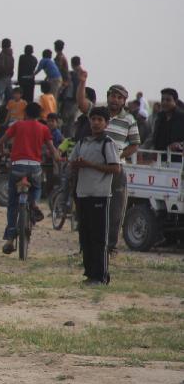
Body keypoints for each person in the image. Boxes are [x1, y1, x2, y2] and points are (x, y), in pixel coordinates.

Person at [75, 68, 140, 252]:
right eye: (113, 96)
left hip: (116, 170)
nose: (115, 100)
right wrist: (82, 82)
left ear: (124, 101)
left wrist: (116, 156)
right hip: (92, 170)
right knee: (89, 207)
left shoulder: (129, 119)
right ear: (108, 96)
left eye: (120, 97)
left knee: (115, 210)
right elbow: (81, 102)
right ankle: (87, 247)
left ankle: (109, 247)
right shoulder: (98, 113)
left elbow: (135, 144)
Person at [0, 102, 61, 254]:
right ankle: (35, 203)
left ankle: (10, 239)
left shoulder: (18, 125)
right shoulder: (44, 128)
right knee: (37, 187)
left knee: (12, 203)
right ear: (39, 115)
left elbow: (1, 142)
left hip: (17, 167)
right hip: (34, 167)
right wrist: (58, 159)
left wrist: (4, 152)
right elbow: (53, 150)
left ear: (25, 113)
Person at [69, 107, 121, 285]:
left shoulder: (108, 143)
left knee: (99, 238)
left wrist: (90, 164)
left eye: (100, 119)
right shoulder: (82, 142)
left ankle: (101, 276)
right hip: (83, 194)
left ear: (106, 123)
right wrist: (75, 165)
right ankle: (90, 274)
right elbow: (71, 163)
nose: (96, 123)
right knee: (85, 236)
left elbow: (115, 168)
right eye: (93, 119)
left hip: (100, 195)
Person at [148, 88, 184, 154]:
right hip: (160, 159)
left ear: (175, 101)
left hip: (178, 160)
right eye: (162, 100)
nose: (164, 102)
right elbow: (153, 137)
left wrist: (180, 145)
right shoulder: (159, 118)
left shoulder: (182, 117)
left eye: (168, 100)